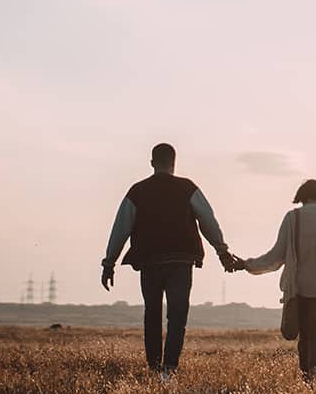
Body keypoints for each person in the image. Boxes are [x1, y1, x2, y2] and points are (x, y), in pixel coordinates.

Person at [101, 143, 238, 378]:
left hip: (150, 262)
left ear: (152, 163)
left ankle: (154, 368)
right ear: (174, 162)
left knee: (152, 314)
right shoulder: (187, 188)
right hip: (181, 262)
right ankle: (169, 369)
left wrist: (109, 263)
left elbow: (120, 228)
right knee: (177, 316)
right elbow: (208, 221)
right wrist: (222, 252)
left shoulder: (137, 191)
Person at [236, 179, 316, 382]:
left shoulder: (292, 218)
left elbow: (276, 257)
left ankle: (307, 378)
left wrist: (248, 265)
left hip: (300, 291)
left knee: (304, 336)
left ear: (301, 196)